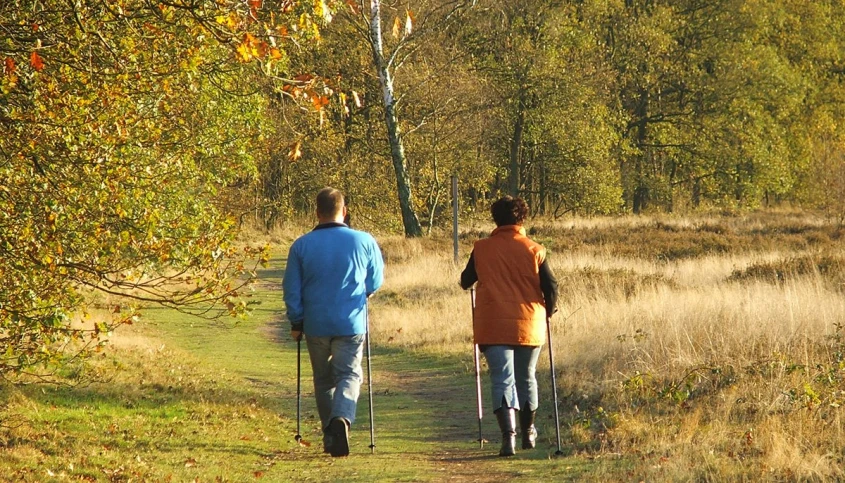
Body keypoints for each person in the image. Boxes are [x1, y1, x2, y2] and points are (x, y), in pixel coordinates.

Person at [283, 187, 384, 457]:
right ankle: (341, 418)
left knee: (324, 380)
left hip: (315, 324)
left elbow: (291, 288)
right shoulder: (364, 241)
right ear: (345, 210)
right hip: (350, 322)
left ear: (316, 213)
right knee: (350, 374)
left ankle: (331, 433)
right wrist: (363, 293)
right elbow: (374, 282)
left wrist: (296, 320)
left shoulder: (301, 245)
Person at [460, 196, 558, 457]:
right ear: (522, 218)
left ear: (495, 218)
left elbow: (465, 280)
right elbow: (551, 286)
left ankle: (508, 439)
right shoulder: (535, 250)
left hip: (493, 324)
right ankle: (528, 433)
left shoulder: (482, 248)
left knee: (502, 379)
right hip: (530, 323)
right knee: (526, 377)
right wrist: (549, 309)